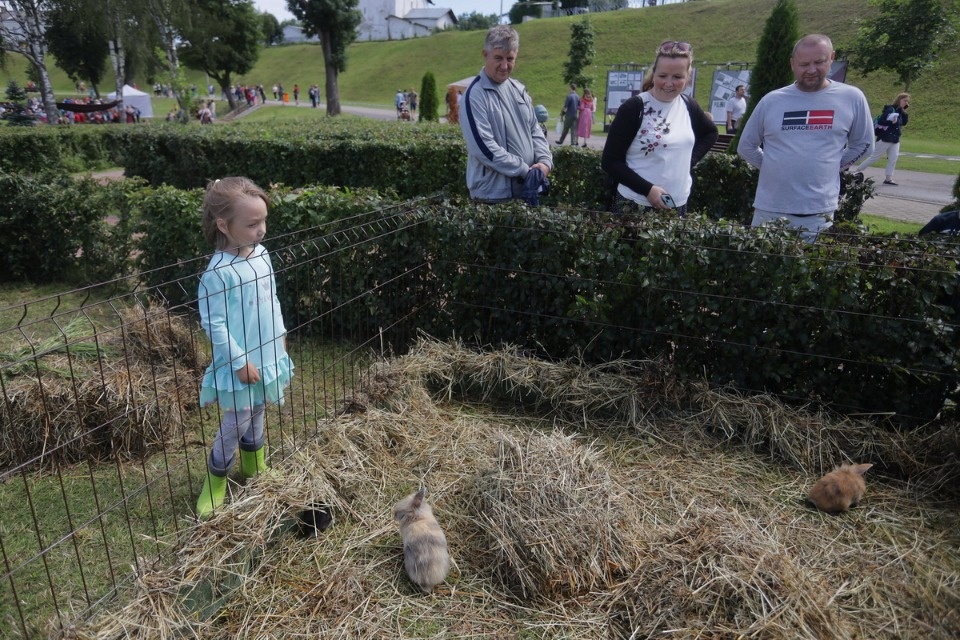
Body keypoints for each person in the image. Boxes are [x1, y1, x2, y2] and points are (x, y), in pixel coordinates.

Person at [195, 177, 295, 519]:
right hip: (242, 361)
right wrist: (238, 361)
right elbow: (215, 324)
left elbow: (273, 300)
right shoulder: (218, 274)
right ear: (224, 225)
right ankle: (215, 483)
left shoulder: (262, 256)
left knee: (259, 411)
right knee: (235, 421)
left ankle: (255, 468)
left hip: (267, 354)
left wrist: (280, 335)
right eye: (252, 224)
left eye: (264, 221)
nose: (262, 230)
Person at [737, 34, 873, 240]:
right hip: (769, 209)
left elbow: (864, 145)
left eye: (819, 62)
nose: (811, 70)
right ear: (792, 64)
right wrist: (773, 167)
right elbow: (746, 146)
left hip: (818, 213)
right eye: (804, 64)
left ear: (832, 58)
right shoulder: (772, 101)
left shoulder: (852, 98)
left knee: (811, 270)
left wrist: (831, 166)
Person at [601, 40, 718, 215]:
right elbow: (610, 161)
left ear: (688, 77)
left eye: (677, 77)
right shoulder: (634, 108)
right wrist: (648, 190)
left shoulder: (688, 105)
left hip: (677, 204)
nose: (669, 83)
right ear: (654, 73)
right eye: (663, 76)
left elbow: (710, 133)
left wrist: (689, 162)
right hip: (635, 205)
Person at [460, 25, 553, 203]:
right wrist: (526, 171)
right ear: (485, 55)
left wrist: (544, 164)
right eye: (498, 58)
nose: (504, 66)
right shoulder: (475, 94)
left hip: (526, 190)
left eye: (510, 58)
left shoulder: (519, 89)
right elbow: (484, 148)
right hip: (493, 197)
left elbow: (535, 130)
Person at [853, 92, 910, 186]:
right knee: (875, 157)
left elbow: (904, 123)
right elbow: (881, 121)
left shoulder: (901, 112)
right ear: (899, 100)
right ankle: (857, 171)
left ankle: (888, 178)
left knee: (893, 158)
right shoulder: (890, 109)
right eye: (904, 100)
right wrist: (890, 121)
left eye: (907, 101)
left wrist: (904, 111)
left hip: (895, 139)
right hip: (885, 138)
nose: (906, 102)